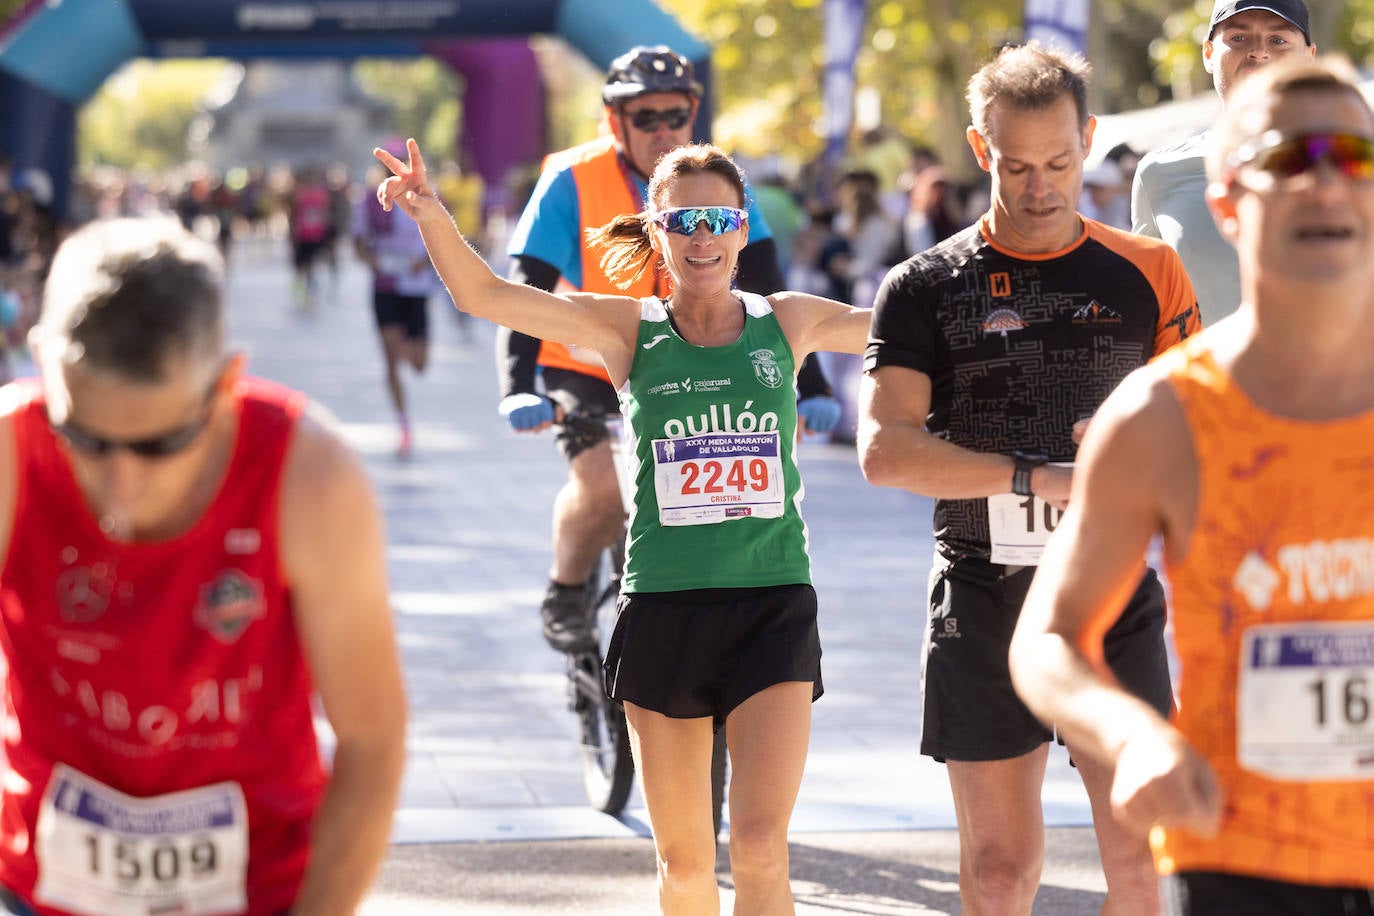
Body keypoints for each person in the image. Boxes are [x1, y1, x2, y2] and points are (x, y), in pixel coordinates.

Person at [378, 136, 870, 915]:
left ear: (743, 230)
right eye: (682, 222)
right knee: (681, 868)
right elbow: (486, 296)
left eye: (717, 219)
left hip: (772, 603)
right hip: (664, 612)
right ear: (656, 230)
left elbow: (913, 327)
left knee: (759, 848)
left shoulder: (790, 320)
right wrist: (429, 211)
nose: (701, 237)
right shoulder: (628, 329)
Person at [1010, 56, 1374, 915]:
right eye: (1288, 159)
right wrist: (1133, 735)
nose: (1325, 183)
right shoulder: (1162, 417)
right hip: (1249, 858)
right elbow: (1048, 638)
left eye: (1354, 157)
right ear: (1226, 205)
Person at [857, 42, 1201, 915]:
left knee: (1139, 859)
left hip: (1112, 597)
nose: (1041, 185)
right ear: (981, 150)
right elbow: (884, 451)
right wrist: (1031, 475)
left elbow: (1205, 429)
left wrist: (1132, 455)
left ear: (1088, 140)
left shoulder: (1149, 270)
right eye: (1016, 166)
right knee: (1001, 872)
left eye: (1059, 162)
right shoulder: (922, 286)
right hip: (981, 595)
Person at [0, 216, 407, 914]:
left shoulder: (311, 476)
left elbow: (371, 739)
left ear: (226, 384)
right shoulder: (11, 452)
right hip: (39, 885)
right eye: (85, 438)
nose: (120, 488)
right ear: (41, 362)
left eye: (161, 444)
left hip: (263, 893)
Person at [500, 44, 841, 655]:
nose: (663, 130)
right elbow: (526, 291)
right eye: (645, 117)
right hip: (584, 367)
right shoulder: (570, 179)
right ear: (615, 121)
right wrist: (517, 386)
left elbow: (770, 296)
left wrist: (811, 386)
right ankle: (566, 589)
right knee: (603, 489)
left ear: (693, 114)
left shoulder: (715, 183)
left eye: (674, 116)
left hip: (685, 368)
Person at [1132, 0, 1314, 322]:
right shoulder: (1159, 174)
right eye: (1239, 38)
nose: (1259, 52)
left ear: (1308, 58)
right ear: (1208, 54)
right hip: (1207, 372)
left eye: (1278, 40)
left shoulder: (1351, 167)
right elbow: (1146, 309)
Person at [353, 145, 439, 457]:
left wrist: (426, 261)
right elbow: (358, 244)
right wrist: (372, 261)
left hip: (415, 288)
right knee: (390, 358)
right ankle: (403, 425)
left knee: (418, 364)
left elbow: (442, 235)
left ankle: (403, 345)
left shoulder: (426, 192)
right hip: (386, 285)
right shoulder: (368, 200)